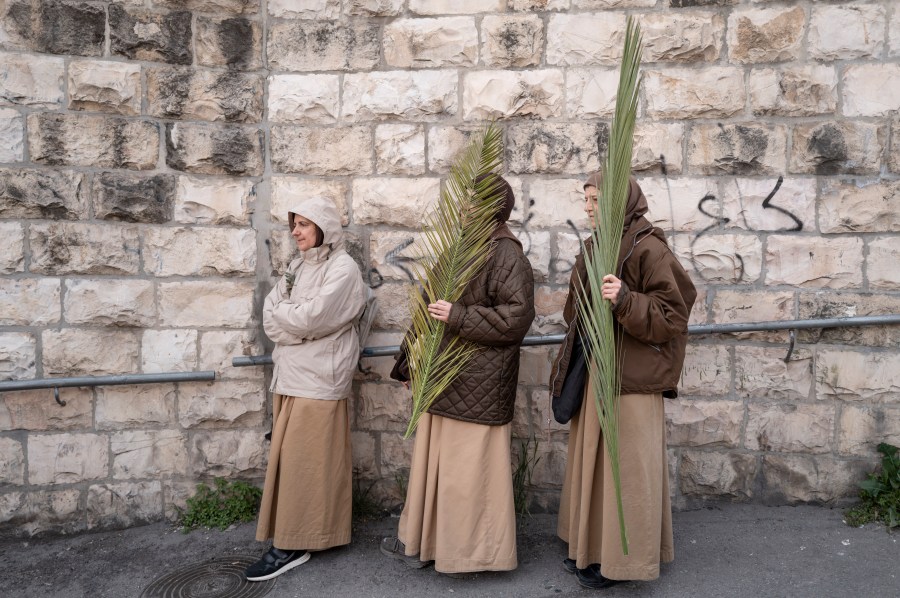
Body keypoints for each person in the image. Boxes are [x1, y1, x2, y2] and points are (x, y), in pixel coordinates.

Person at [381, 174, 536, 575]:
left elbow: (517, 318)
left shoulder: (507, 255)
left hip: (480, 383)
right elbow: (428, 308)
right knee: (441, 472)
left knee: (468, 476)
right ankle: (430, 544)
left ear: (489, 206)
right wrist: (407, 362)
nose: (464, 205)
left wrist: (461, 316)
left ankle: (473, 555)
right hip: (444, 379)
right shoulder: (459, 248)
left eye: (472, 199)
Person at [550, 174, 696, 589]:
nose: (589, 207)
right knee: (597, 466)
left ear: (619, 202)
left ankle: (624, 562)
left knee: (627, 472)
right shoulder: (599, 246)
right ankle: (593, 550)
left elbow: (674, 315)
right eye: (586, 199)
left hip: (632, 382)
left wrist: (626, 299)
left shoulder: (648, 247)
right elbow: (574, 312)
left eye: (596, 199)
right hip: (599, 372)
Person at [246, 196, 367, 582]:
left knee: (308, 464)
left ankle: (294, 543)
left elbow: (316, 315)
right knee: (294, 462)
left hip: (320, 379)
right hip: (292, 374)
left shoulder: (344, 269)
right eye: (294, 224)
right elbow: (272, 312)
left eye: (303, 224)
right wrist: (298, 329)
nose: (295, 231)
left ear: (324, 228)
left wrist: (294, 327)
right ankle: (302, 536)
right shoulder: (298, 266)